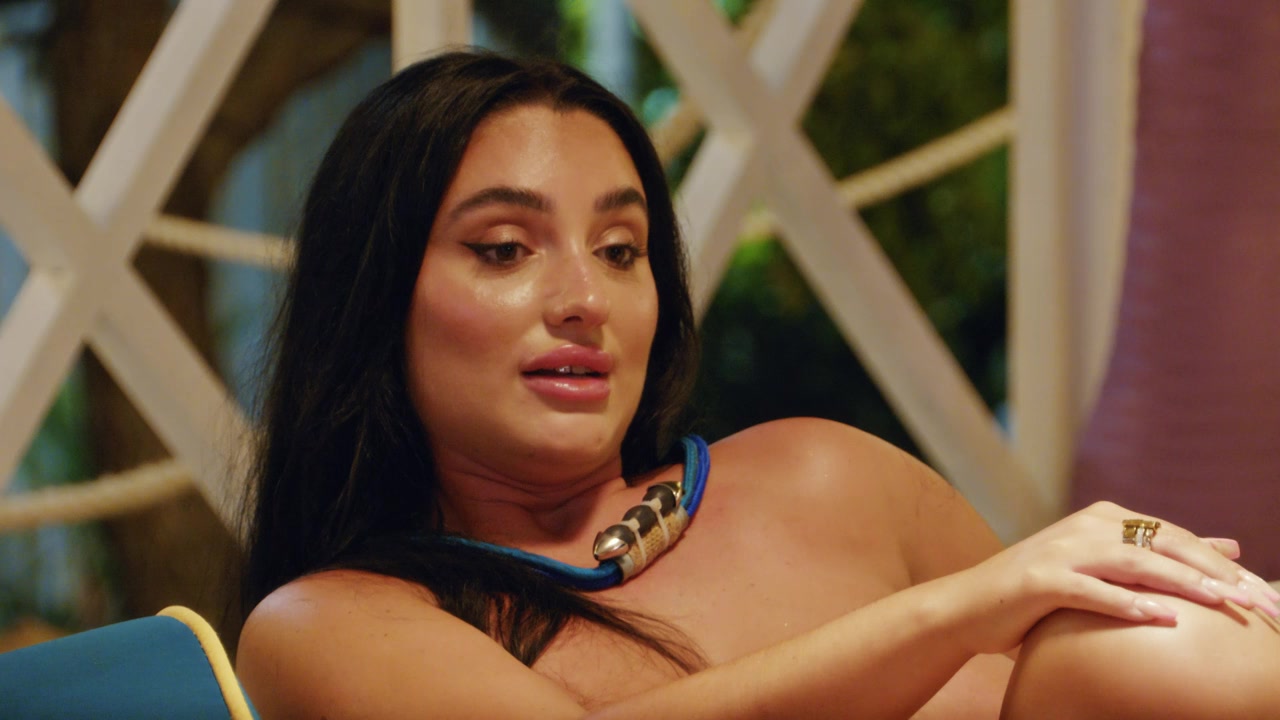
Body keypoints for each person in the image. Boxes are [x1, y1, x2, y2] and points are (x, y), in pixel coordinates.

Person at [234, 50, 1280, 719]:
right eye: (505, 249)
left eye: (620, 250)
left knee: (1163, 642)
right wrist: (961, 610)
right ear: (375, 293)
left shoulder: (829, 474)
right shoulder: (327, 626)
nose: (584, 300)